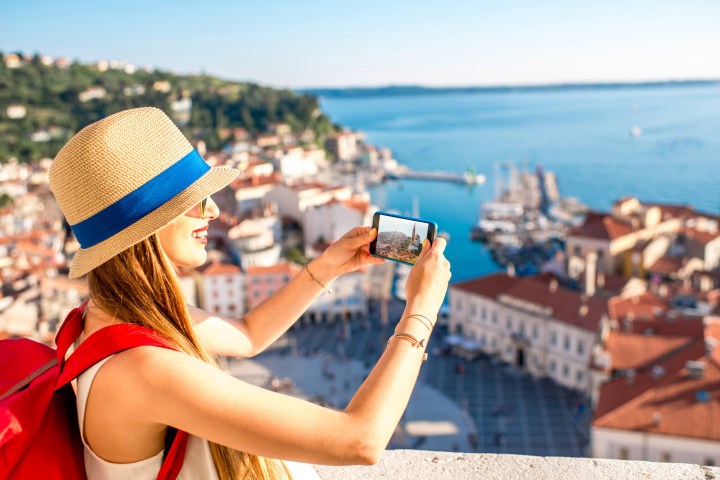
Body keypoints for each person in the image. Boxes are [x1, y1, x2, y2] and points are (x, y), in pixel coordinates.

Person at [49, 107, 451, 479]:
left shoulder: (112, 315)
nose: (213, 211)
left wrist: (329, 265)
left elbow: (247, 333)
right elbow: (360, 440)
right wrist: (422, 307)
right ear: (148, 223)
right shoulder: (142, 367)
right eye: (193, 200)